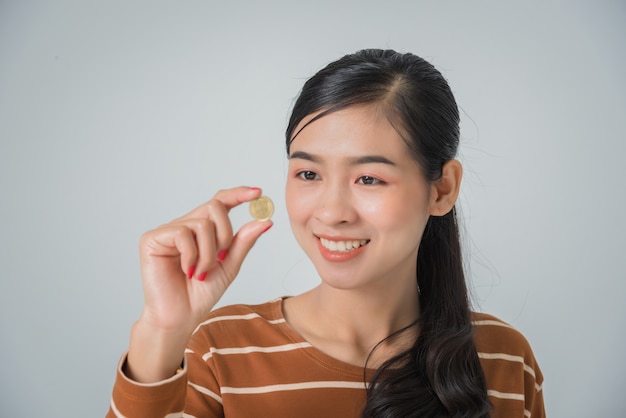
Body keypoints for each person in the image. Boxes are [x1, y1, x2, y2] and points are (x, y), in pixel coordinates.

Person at [107, 49, 545, 418]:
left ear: (442, 189)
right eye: (308, 173)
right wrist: (161, 331)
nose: (331, 212)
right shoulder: (219, 351)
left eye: (369, 178)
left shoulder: (504, 358)